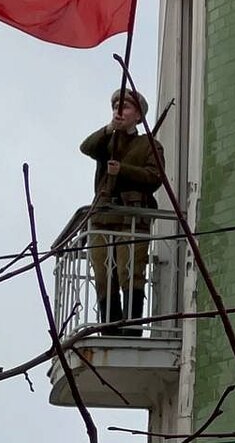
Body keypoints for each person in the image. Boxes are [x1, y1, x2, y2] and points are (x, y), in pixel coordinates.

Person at [79, 88, 163, 336]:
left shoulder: (148, 144)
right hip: (104, 217)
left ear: (138, 115)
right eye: (116, 106)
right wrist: (108, 129)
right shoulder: (108, 142)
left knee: (130, 271)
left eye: (125, 106)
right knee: (104, 273)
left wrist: (122, 170)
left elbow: (155, 177)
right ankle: (109, 328)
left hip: (132, 217)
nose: (119, 111)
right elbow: (87, 147)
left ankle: (131, 328)